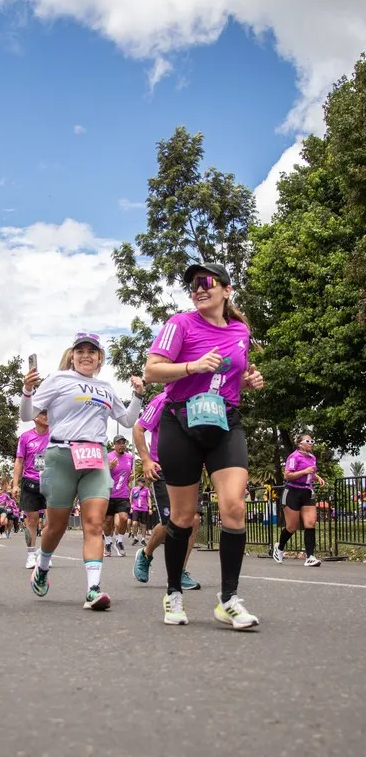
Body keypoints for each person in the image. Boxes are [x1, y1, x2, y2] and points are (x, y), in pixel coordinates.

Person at [144, 262, 264, 630]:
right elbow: (151, 370)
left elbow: (231, 378)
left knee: (234, 506)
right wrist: (192, 366)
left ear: (226, 290)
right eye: (193, 284)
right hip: (180, 422)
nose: (198, 288)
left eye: (207, 282)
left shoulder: (241, 331)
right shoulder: (179, 324)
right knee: (182, 518)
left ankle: (228, 599)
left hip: (225, 421)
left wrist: (248, 381)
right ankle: (173, 593)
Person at [21, 332, 145, 610]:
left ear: (100, 358)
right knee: (57, 525)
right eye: (80, 351)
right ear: (72, 355)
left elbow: (126, 419)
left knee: (94, 523)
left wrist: (137, 395)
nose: (86, 355)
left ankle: (93, 589)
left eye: (92, 351)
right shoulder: (58, 380)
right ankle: (42, 567)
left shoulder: (105, 387)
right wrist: (27, 391)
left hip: (95, 458)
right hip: (62, 456)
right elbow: (27, 415)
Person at [132, 392, 201, 590]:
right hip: (162, 468)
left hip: (191, 467)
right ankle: (146, 554)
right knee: (171, 522)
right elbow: (139, 428)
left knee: (193, 519)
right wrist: (146, 460)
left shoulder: (200, 398)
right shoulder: (162, 400)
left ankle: (180, 572)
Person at [273, 434, 325, 567]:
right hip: (292, 492)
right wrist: (304, 471)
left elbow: (311, 472)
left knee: (310, 522)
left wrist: (317, 477)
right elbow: (288, 475)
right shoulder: (294, 456)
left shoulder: (312, 457)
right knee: (292, 526)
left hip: (307, 491)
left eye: (312, 441)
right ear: (300, 444)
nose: (311, 443)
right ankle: (279, 548)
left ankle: (310, 556)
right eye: (308, 441)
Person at [12, 411, 51, 568]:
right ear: (35, 417)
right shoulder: (26, 437)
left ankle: (45, 551)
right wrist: (15, 484)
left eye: (48, 413)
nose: (46, 416)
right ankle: (30, 555)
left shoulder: (55, 434)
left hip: (51, 482)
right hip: (30, 482)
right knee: (32, 520)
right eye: (42, 414)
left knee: (52, 521)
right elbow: (19, 461)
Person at [103, 436, 133, 557]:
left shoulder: (129, 457)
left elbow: (127, 473)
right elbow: (99, 474)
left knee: (124, 518)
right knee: (108, 521)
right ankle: (108, 543)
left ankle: (119, 541)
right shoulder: (108, 457)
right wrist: (108, 468)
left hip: (123, 494)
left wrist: (129, 479)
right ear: (114, 445)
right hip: (109, 494)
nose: (121, 445)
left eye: (123, 443)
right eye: (119, 443)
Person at [130, 480, 151, 545]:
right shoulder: (134, 489)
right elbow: (131, 497)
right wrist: (131, 507)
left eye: (144, 482)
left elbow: (148, 498)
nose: (143, 483)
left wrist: (150, 508)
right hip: (136, 508)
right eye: (142, 482)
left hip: (144, 509)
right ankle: (135, 538)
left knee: (143, 524)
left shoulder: (146, 489)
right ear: (138, 482)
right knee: (134, 523)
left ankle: (143, 539)